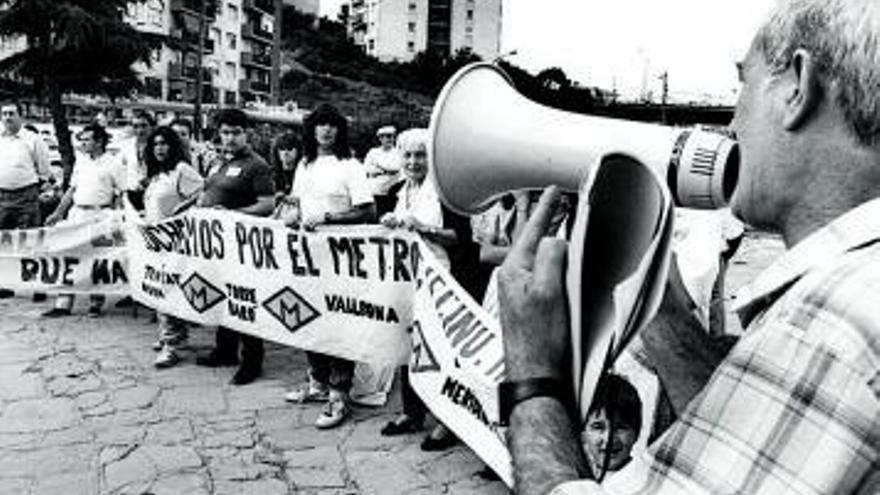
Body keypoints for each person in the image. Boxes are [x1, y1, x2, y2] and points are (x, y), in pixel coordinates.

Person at [499, 0, 880, 493]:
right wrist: (662, 312)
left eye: (741, 84)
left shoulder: (827, 326)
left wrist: (533, 372)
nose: (732, 121)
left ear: (797, 88)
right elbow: (753, 443)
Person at [375, 128, 473, 448]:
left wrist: (423, 228)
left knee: (441, 350)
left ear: (432, 159)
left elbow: (461, 238)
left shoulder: (446, 193)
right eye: (408, 155)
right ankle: (411, 412)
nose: (414, 161)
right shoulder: (399, 191)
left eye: (421, 155)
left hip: (443, 280)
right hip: (408, 281)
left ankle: (447, 420)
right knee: (409, 346)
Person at [283, 103, 376, 430]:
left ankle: (339, 394)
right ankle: (318, 382)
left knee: (339, 324)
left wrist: (328, 218)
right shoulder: (304, 165)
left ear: (340, 129)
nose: (326, 130)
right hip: (307, 256)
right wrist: (290, 217)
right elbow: (296, 204)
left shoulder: (350, 165)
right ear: (311, 129)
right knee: (309, 318)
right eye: (320, 124)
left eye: (332, 124)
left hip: (342, 259)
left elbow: (367, 211)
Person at [192, 108, 275, 385]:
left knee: (245, 301)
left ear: (246, 133)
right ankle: (225, 351)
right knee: (220, 295)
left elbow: (267, 204)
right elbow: (207, 191)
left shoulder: (257, 165)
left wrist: (233, 215)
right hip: (216, 245)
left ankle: (252, 362)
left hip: (243, 246)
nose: (229, 138)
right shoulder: (217, 162)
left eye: (235, 132)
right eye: (225, 132)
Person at [42, 124, 125, 318]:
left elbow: (122, 192)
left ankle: (96, 302)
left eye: (87, 140)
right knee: (69, 256)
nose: (83, 143)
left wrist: (117, 217)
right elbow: (72, 190)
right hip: (77, 214)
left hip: (100, 216)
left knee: (98, 258)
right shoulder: (81, 162)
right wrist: (57, 213)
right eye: (82, 140)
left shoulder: (113, 163)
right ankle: (63, 303)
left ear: (99, 141)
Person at [141, 126, 204, 368]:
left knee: (168, 291)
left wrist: (183, 208)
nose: (160, 148)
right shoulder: (157, 175)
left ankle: (173, 344)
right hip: (156, 242)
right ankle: (170, 335)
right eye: (155, 144)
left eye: (165, 143)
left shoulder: (181, 170)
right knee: (160, 291)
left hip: (176, 242)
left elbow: (203, 193)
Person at [0, 102, 51, 298]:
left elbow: (44, 169)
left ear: (20, 116)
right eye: (4, 114)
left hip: (26, 195)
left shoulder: (33, 139)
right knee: (3, 242)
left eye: (11, 113)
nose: (7, 117)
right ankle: (5, 284)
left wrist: (37, 189)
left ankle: (36, 285)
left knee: (32, 240)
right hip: (1, 195)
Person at [580, 374, 642, 479]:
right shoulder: (575, 475)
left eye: (620, 427)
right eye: (598, 427)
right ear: (583, 435)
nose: (609, 439)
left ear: (637, 433)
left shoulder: (643, 477)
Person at [363, 125, 403, 215]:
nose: (390, 139)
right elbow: (367, 169)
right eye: (387, 137)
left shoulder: (398, 152)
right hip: (375, 191)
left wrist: (379, 167)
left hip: (392, 193)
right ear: (380, 138)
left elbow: (396, 167)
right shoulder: (373, 152)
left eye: (392, 136)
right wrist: (386, 171)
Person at [269, 131, 301, 195]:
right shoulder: (271, 174)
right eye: (282, 149)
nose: (286, 153)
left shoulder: (304, 173)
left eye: (290, 149)